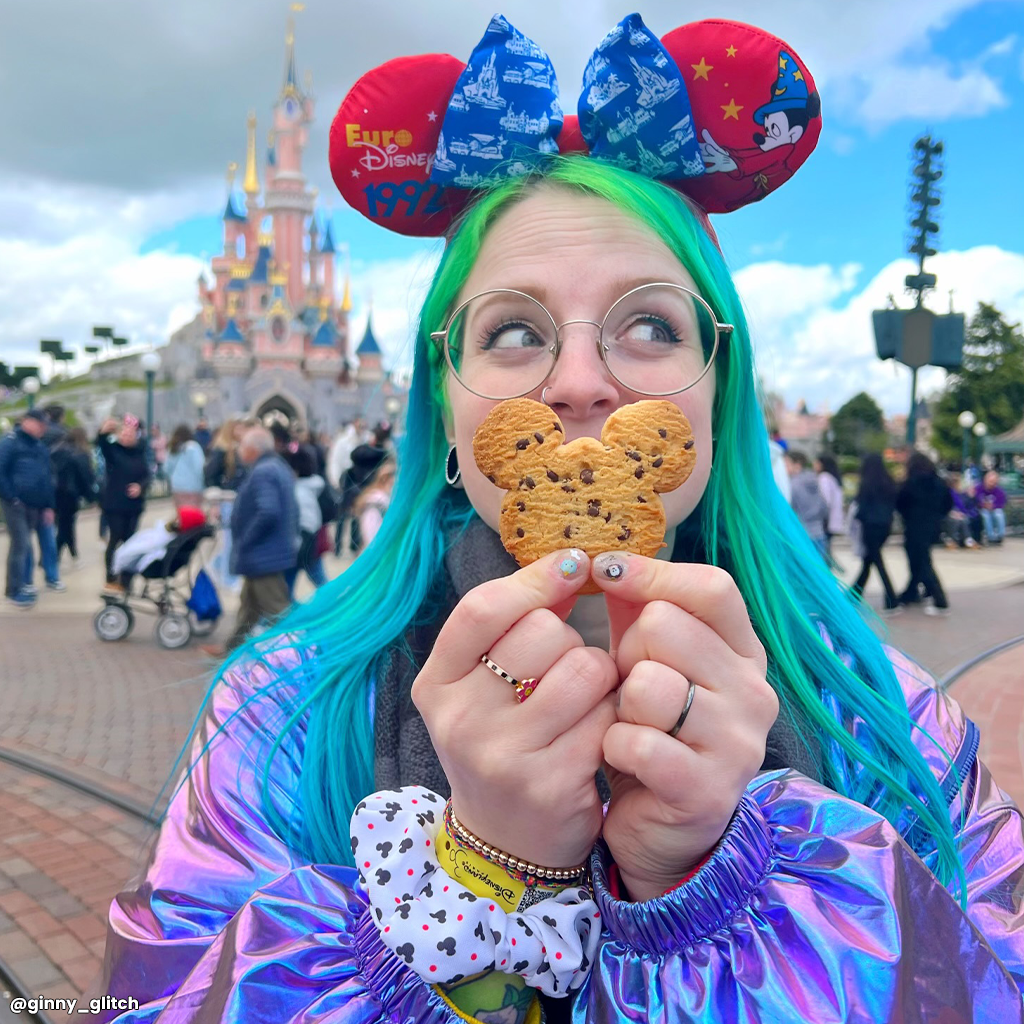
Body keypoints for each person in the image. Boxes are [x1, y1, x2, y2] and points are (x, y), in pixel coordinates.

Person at [95, 25, 1024, 1023]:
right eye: (513, 332)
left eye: (651, 325)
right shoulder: (280, 718)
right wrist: (479, 877)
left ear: (718, 395)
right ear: (445, 412)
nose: (579, 382)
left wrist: (700, 885)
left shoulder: (891, 725)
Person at [201, 427, 298, 656]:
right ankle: (231, 649)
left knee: (277, 611)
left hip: (263, 554)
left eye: (242, 446)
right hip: (265, 553)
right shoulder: (275, 467)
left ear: (253, 450)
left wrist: (245, 540)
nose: (239, 452)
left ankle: (297, 655)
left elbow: (268, 512)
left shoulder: (264, 471)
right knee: (249, 607)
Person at [0, 409, 55, 608]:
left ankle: (22, 585)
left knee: (25, 545)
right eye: (40, 424)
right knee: (20, 543)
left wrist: (48, 505)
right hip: (15, 503)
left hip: (35, 504)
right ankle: (14, 590)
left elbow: (46, 477)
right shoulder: (10, 442)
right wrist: (11, 496)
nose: (43, 429)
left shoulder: (39, 446)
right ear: (28, 422)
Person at [96, 416, 150, 592]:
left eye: (130, 434)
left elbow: (147, 475)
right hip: (115, 503)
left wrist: (140, 487)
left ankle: (126, 579)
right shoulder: (114, 451)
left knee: (130, 541)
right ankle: (111, 577)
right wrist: (104, 430)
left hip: (134, 506)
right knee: (116, 537)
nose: (126, 437)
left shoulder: (140, 452)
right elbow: (101, 444)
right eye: (123, 434)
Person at [897, 452, 953, 615]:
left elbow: (901, 503)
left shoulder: (910, 483)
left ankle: (939, 598)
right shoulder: (939, 483)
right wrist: (937, 516)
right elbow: (948, 504)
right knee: (920, 559)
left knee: (921, 561)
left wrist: (909, 517)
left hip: (915, 526)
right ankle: (911, 592)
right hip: (933, 526)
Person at [108, 505, 206, 591]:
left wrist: (117, 565)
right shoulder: (178, 540)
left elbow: (136, 550)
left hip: (153, 567)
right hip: (160, 564)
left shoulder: (166, 538)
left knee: (130, 558)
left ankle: (121, 585)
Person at [851, 453, 900, 612]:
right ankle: (854, 594)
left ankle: (891, 598)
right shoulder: (889, 482)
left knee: (876, 561)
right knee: (869, 560)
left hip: (870, 526)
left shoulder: (867, 484)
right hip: (885, 526)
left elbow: (862, 506)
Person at [51, 426, 96, 567]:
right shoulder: (80, 454)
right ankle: (57, 556)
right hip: (71, 494)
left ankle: (69, 554)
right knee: (66, 527)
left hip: (56, 493)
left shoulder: (56, 450)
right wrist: (91, 497)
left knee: (65, 526)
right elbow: (85, 478)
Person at [285, 444, 328, 591]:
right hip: (312, 541)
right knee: (320, 580)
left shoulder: (299, 492)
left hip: (303, 541)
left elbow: (308, 521)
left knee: (288, 584)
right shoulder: (313, 486)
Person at [784, 449, 828, 555]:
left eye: (787, 464)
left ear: (797, 465)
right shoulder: (815, 481)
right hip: (818, 533)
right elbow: (825, 508)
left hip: (800, 535)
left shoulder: (792, 485)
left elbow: (788, 510)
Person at [353, 457, 396, 550]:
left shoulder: (383, 500)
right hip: (378, 553)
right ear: (387, 479)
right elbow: (371, 535)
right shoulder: (376, 502)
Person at [164, 424, 206, 509]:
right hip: (193, 487)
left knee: (181, 515)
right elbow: (199, 468)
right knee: (193, 515)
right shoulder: (194, 447)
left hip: (177, 486)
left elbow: (166, 468)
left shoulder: (173, 448)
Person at [815, 454, 845, 558]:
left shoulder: (824, 478)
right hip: (833, 519)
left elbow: (825, 500)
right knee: (827, 549)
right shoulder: (834, 478)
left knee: (824, 551)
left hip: (826, 520)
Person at [947, 478, 984, 549]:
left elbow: (962, 506)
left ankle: (968, 541)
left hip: (958, 513)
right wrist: (953, 512)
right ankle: (952, 541)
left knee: (963, 520)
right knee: (955, 521)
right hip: (947, 513)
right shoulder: (948, 493)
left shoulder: (958, 494)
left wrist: (961, 513)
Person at [978, 470, 1007, 545]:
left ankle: (1000, 535)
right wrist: (983, 505)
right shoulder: (978, 488)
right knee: (985, 515)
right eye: (990, 481)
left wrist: (993, 506)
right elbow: (975, 501)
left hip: (994, 509)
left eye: (994, 482)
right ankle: (990, 537)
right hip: (982, 509)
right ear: (985, 480)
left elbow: (1001, 504)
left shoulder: (999, 491)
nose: (992, 484)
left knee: (999, 513)